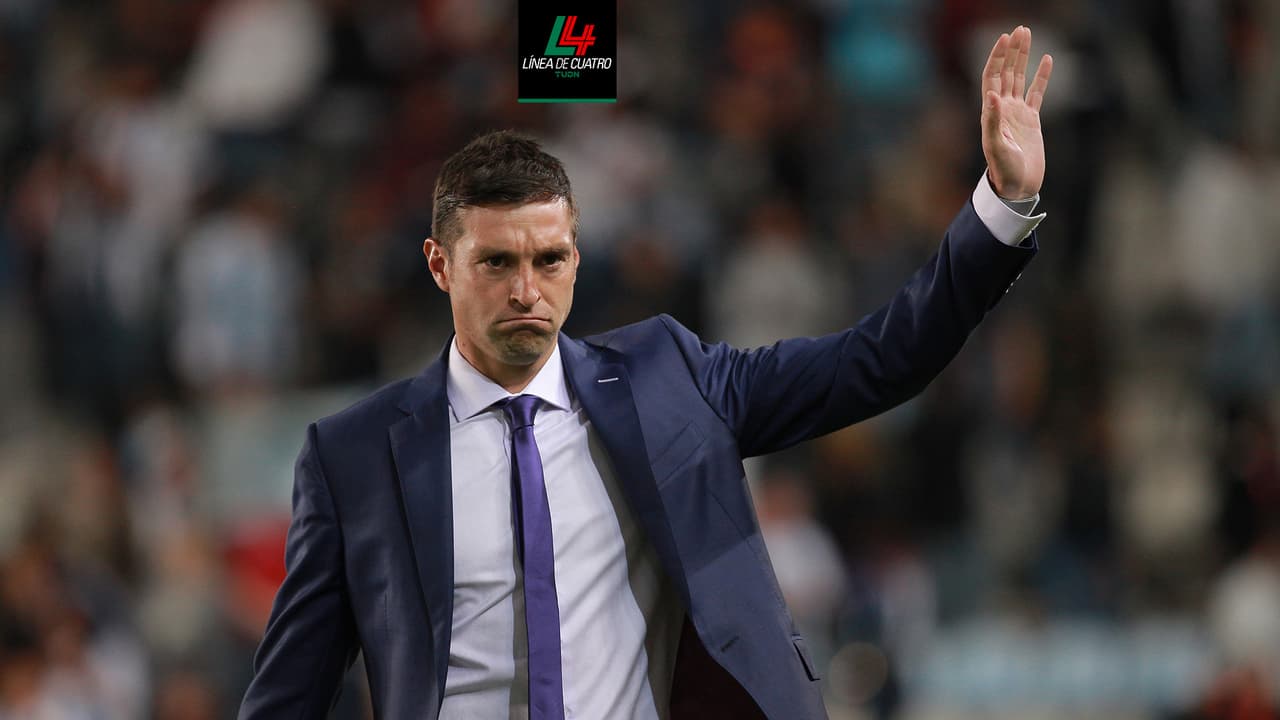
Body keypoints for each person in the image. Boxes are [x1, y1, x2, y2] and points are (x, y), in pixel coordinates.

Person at [239, 26, 1053, 720]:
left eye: (549, 259)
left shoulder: (672, 381)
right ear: (439, 264)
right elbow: (287, 696)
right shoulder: (353, 458)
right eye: (496, 262)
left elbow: (881, 359)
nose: (527, 290)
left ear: (575, 259)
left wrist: (1000, 206)